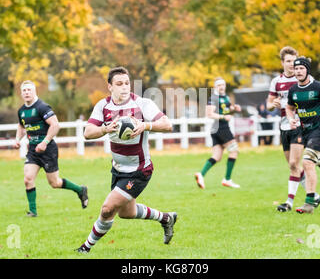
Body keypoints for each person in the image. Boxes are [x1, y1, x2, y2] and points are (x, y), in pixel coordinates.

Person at [76, 67, 176, 253]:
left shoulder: (142, 104)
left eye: (127, 83)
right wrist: (105, 129)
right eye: (119, 84)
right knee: (126, 213)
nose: (124, 87)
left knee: (107, 209)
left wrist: (145, 125)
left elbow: (167, 125)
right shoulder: (103, 106)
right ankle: (166, 218)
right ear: (110, 87)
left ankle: (85, 248)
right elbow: (87, 133)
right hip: (118, 169)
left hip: (139, 170)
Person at [14, 81, 88, 217]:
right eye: (24, 91)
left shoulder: (42, 107)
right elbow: (21, 126)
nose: (26, 93)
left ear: (34, 91)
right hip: (33, 151)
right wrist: (18, 139)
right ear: (21, 93)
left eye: (29, 90)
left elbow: (55, 125)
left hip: (48, 150)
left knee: (54, 183)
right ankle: (33, 211)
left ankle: (80, 190)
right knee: (28, 179)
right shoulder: (22, 111)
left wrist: (44, 142)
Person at [266, 47, 320, 212]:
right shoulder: (276, 82)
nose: (292, 64)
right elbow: (268, 104)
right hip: (284, 127)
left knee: (293, 163)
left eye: (294, 61)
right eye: (288, 61)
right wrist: (272, 105)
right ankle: (315, 196)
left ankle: (289, 202)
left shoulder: (303, 78)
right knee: (294, 167)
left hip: (300, 125)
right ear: (282, 62)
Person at [286, 57, 320, 214]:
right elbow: (289, 107)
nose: (298, 71)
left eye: (301, 69)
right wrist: (291, 119)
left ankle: (310, 202)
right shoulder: (293, 90)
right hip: (306, 133)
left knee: (307, 162)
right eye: (296, 69)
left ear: (307, 70)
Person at [194, 77, 241, 189]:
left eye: (223, 85)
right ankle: (227, 179)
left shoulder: (226, 97)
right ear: (215, 87)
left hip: (218, 129)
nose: (221, 87)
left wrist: (235, 109)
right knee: (234, 151)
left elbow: (228, 111)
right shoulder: (214, 98)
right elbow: (209, 114)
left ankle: (201, 174)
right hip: (221, 128)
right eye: (219, 85)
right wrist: (223, 116)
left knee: (217, 156)